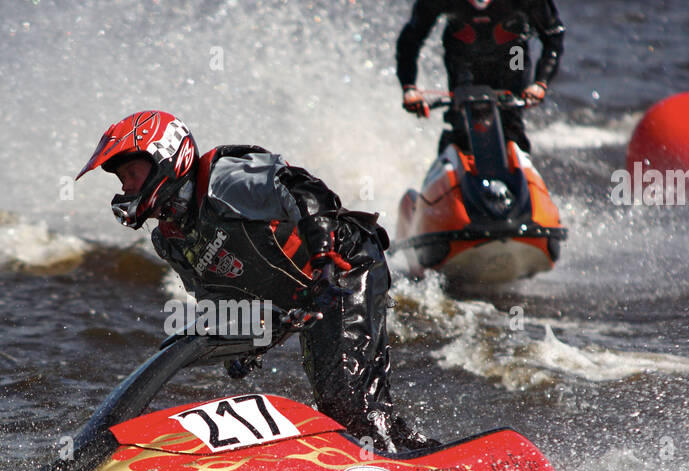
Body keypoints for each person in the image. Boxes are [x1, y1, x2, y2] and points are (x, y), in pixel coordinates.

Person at [76, 109, 431, 453]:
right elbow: (216, 300)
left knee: (346, 397)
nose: (126, 187)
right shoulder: (169, 241)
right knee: (341, 400)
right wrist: (244, 343)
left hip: (345, 264)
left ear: (166, 157)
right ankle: (418, 454)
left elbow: (307, 192)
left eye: (132, 174)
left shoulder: (222, 179)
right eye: (122, 180)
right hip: (308, 295)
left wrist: (324, 262)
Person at [396, 0, 565, 154]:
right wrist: (409, 87)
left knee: (511, 127)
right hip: (463, 58)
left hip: (513, 56)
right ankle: (452, 172)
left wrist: (540, 83)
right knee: (463, 128)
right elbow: (411, 39)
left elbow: (553, 34)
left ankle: (519, 174)